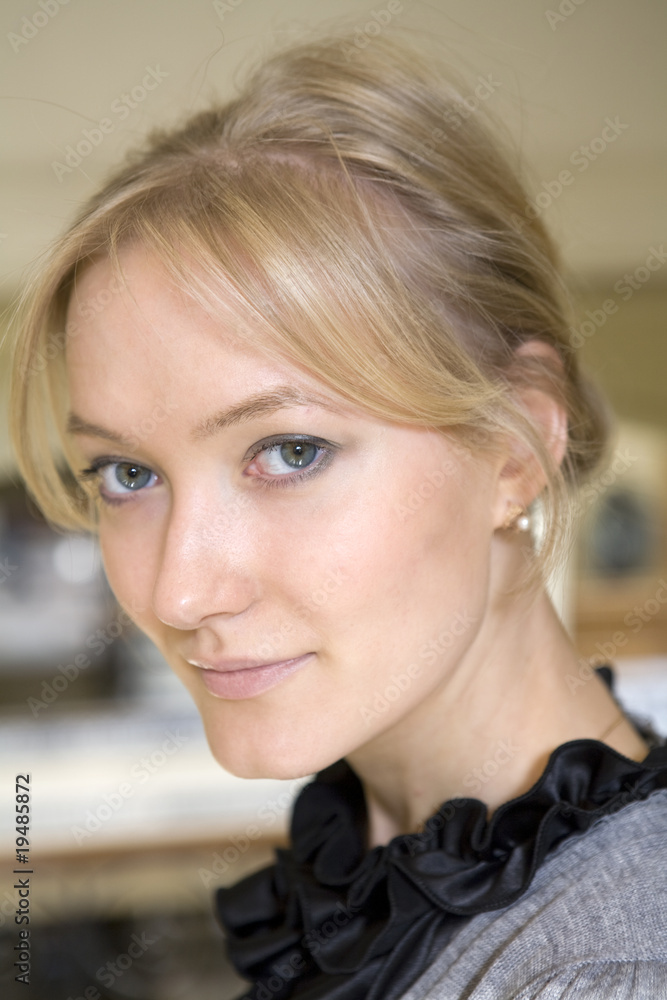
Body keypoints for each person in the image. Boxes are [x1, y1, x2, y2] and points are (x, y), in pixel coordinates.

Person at [9, 26, 667, 1000]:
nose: (180, 588)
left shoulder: (606, 972)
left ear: (514, 450)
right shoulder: (376, 869)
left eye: (290, 452)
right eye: (126, 474)